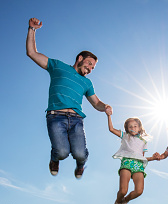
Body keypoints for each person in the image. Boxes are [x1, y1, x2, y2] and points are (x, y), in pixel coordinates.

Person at [26, 17, 113, 178]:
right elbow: (32, 53)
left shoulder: (87, 83)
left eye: (93, 67)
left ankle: (80, 165)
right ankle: (54, 159)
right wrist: (32, 30)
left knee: (80, 154)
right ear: (80, 59)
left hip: (76, 119)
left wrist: (105, 106)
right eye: (88, 64)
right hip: (55, 117)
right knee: (62, 152)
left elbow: (96, 103)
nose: (90, 68)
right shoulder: (58, 67)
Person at [107, 114, 159, 204]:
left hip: (138, 165)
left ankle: (124, 202)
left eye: (135, 126)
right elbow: (111, 129)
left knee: (139, 191)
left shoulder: (144, 141)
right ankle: (117, 202)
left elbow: (141, 157)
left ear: (139, 128)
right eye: (130, 127)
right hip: (127, 162)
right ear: (127, 129)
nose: (133, 128)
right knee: (123, 190)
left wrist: (153, 158)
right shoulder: (125, 136)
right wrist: (108, 115)